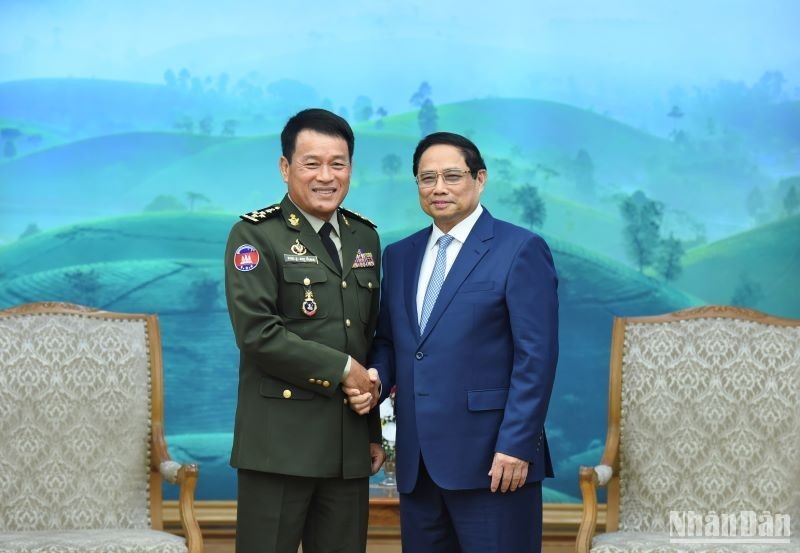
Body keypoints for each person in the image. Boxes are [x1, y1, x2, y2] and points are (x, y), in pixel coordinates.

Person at [353, 132, 559, 552]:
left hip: (495, 463)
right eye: (427, 178)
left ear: (480, 179)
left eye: (452, 175)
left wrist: (517, 446)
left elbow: (536, 357)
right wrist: (375, 377)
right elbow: (391, 340)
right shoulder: (400, 255)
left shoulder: (520, 249)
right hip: (418, 465)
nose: (439, 188)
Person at [224, 108, 384, 553]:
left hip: (347, 448)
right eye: (312, 163)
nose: (326, 176)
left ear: (350, 168)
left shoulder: (364, 237)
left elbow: (365, 336)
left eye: (338, 163)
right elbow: (257, 333)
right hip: (279, 447)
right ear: (285, 168)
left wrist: (371, 430)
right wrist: (342, 369)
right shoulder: (256, 236)